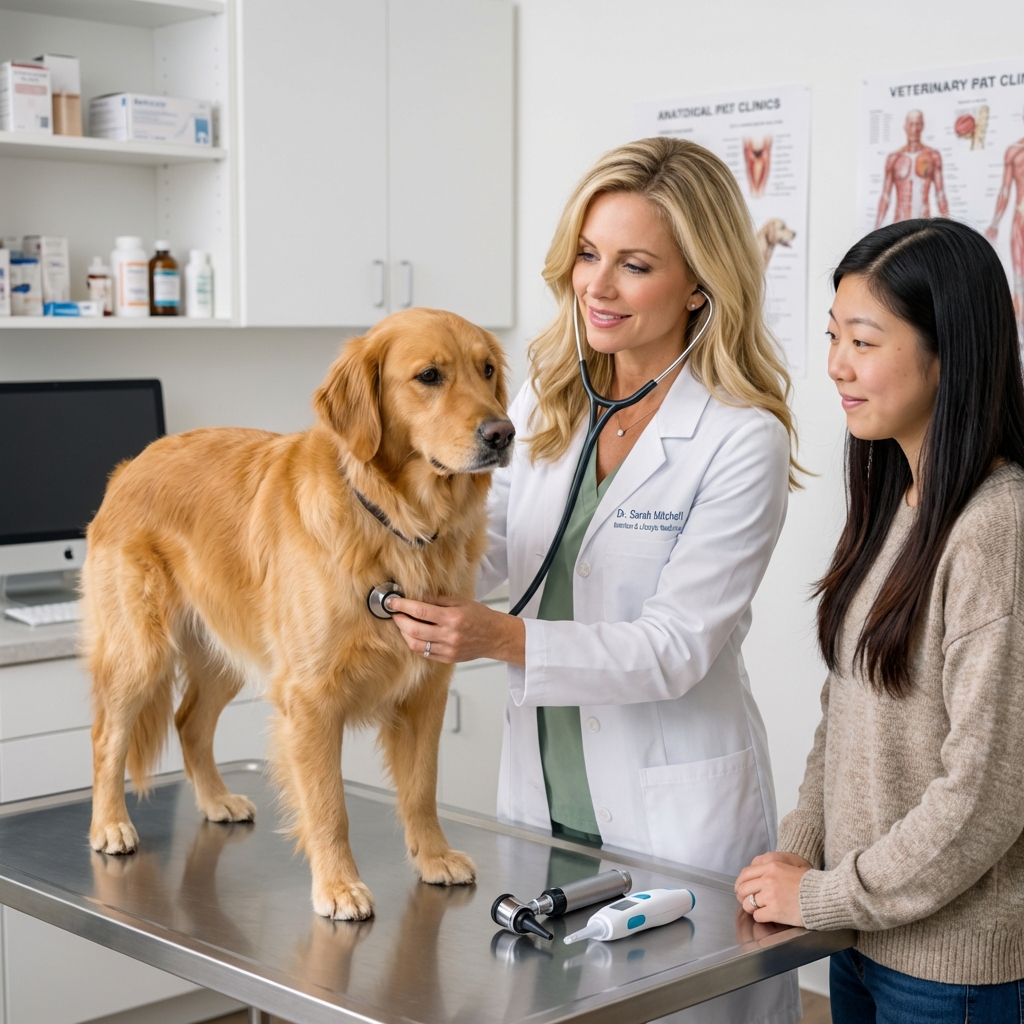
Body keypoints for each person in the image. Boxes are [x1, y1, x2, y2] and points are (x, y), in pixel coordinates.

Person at [389, 136, 802, 1023]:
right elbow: (491, 551)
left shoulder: (740, 439)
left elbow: (675, 648)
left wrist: (497, 637)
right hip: (545, 795)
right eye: (587, 254)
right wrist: (372, 521)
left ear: (700, 282)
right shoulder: (546, 399)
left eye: (634, 264)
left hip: (672, 812)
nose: (597, 286)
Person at [735, 218, 1024, 1022]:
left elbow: (987, 795)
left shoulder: (998, 528)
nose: (835, 366)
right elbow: (847, 712)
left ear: (948, 353)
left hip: (951, 971)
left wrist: (825, 894)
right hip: (861, 947)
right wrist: (799, 846)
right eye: (833, 337)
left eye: (863, 341)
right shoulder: (896, 502)